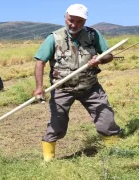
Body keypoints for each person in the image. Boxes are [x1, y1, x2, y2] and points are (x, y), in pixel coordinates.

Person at [33, 4, 121, 161]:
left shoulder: (93, 35)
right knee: (57, 125)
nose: (73, 24)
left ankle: (115, 154)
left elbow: (109, 55)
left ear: (85, 21)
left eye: (79, 21)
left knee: (106, 120)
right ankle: (48, 160)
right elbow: (40, 62)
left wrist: (100, 60)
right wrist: (39, 88)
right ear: (65, 17)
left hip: (90, 87)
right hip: (62, 88)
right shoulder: (54, 38)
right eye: (70, 20)